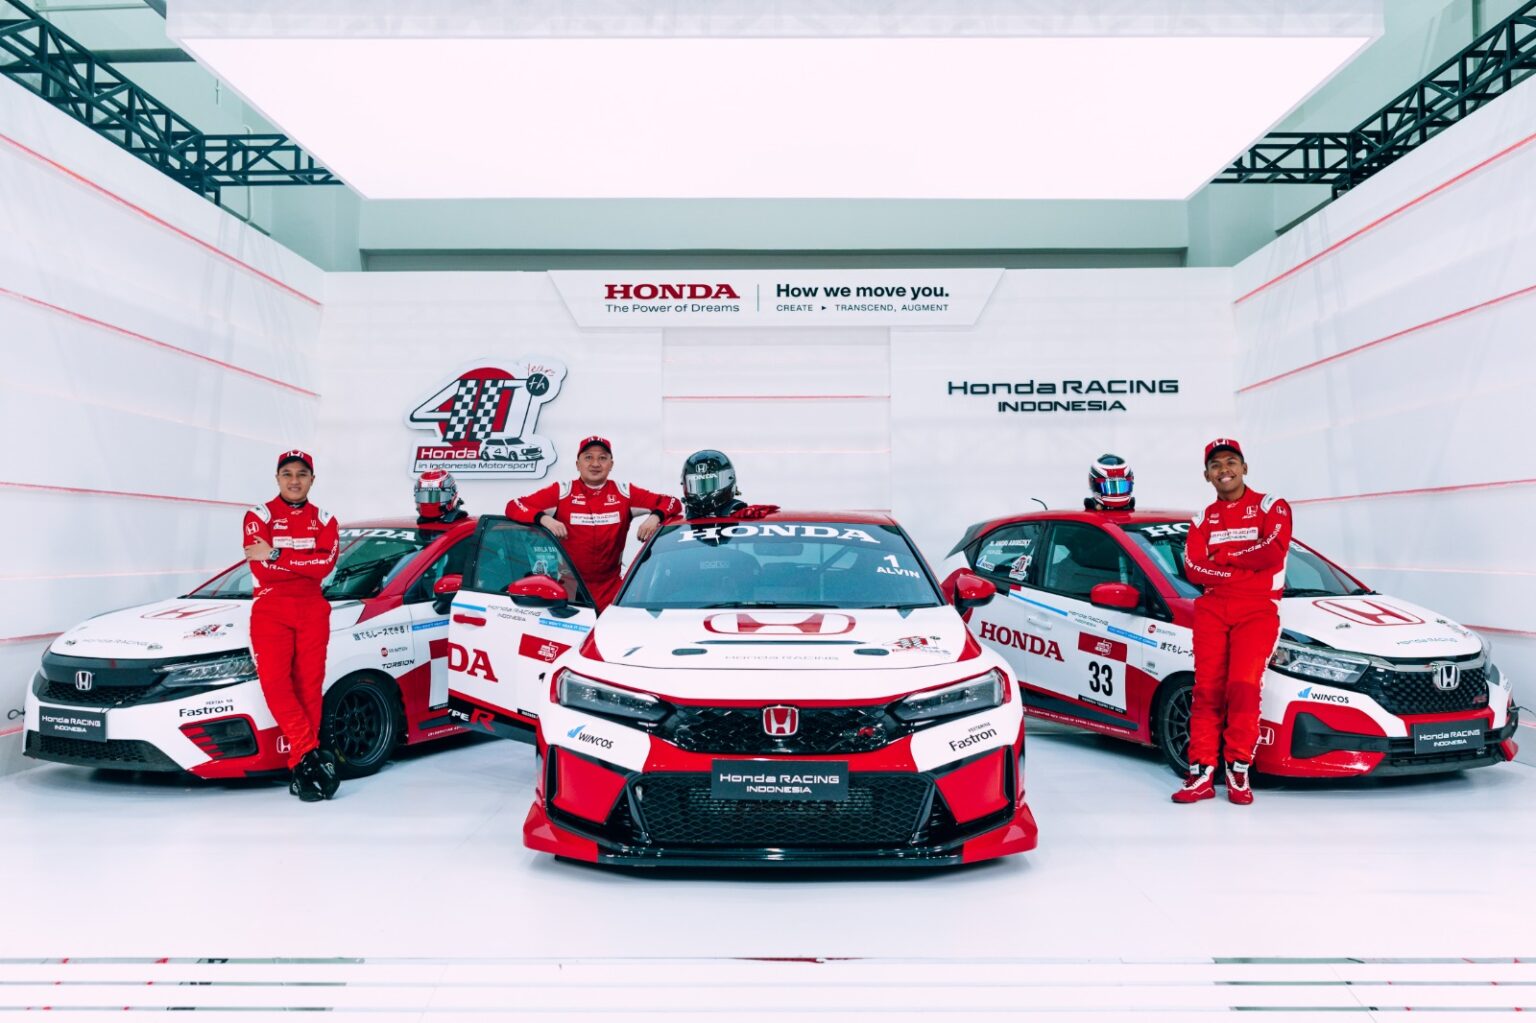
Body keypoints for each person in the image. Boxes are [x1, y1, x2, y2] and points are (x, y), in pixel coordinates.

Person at [1173, 438, 1292, 806]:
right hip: (1212, 609)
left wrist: (1222, 557)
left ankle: (1238, 770)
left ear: (1244, 468)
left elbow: (1272, 552)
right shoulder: (1200, 519)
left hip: (1258, 609)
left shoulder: (1272, 505)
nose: (1224, 469)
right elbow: (1194, 569)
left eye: (1230, 462)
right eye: (1215, 465)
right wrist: (1241, 569)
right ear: (1207, 475)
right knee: (1207, 690)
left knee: (1243, 686)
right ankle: (1201, 774)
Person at [243, 450, 341, 802]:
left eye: (302, 474)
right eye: (287, 474)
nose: (294, 480)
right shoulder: (259, 515)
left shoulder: (326, 519)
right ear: (277, 478)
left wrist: (276, 553)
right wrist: (301, 563)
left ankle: (302, 769)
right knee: (275, 684)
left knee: (309, 688)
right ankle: (310, 753)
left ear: (312, 479)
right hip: (271, 607)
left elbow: (323, 567)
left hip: (312, 609)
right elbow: (261, 570)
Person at [505, 436, 681, 609]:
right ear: (577, 464)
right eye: (588, 457)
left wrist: (655, 517)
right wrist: (544, 519)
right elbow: (514, 506)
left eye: (602, 458)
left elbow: (672, 502)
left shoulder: (625, 493)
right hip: (569, 589)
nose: (595, 464)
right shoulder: (562, 491)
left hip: (612, 589)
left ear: (611, 465)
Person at [680, 449, 779, 520]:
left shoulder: (744, 515)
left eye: (711, 483)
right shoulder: (679, 518)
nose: (704, 491)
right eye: (698, 485)